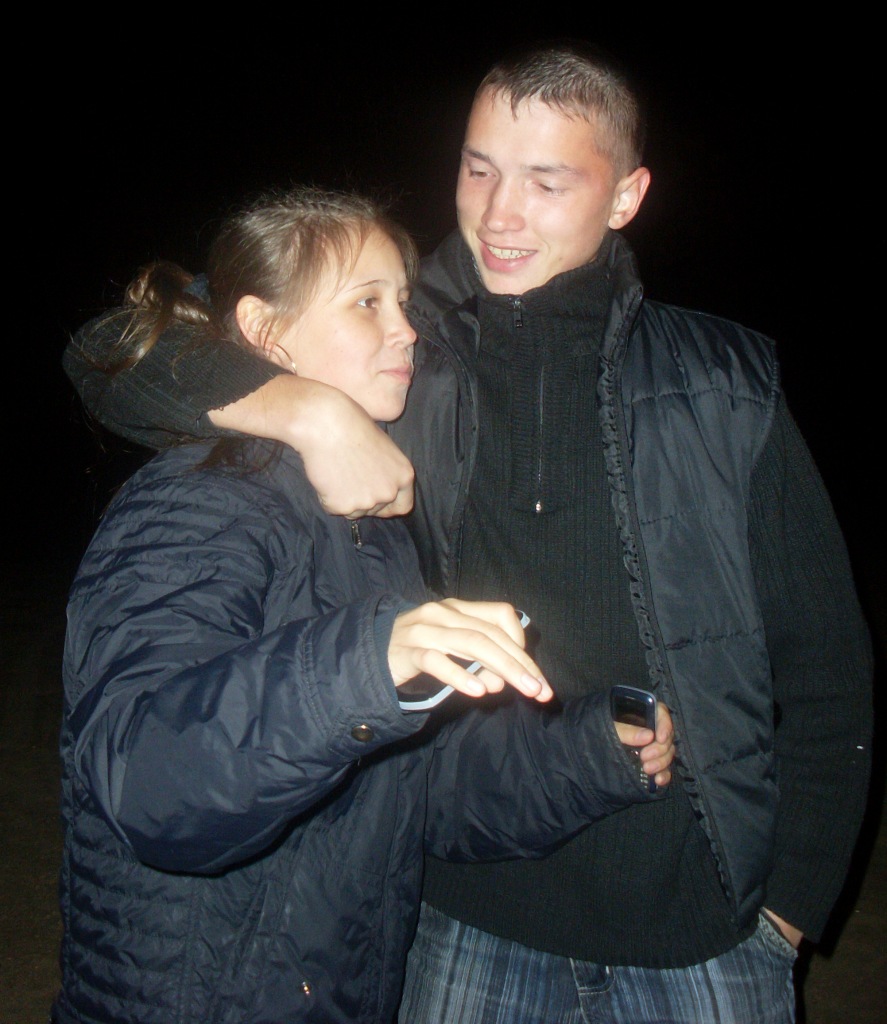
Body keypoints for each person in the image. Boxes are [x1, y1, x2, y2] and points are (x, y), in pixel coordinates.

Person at [62, 43, 874, 1024]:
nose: (498, 214)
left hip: (695, 916)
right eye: (478, 169)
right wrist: (307, 414)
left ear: (625, 196)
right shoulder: (404, 348)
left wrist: (792, 902)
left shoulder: (720, 383)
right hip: (453, 911)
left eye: (545, 181)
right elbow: (117, 349)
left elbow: (826, 666)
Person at [54, 185, 676, 1024]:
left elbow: (412, 790)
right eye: (366, 302)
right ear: (264, 330)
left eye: (402, 301)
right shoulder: (196, 503)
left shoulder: (366, 529)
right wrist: (368, 661)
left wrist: (590, 753)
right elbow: (147, 782)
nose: (407, 329)